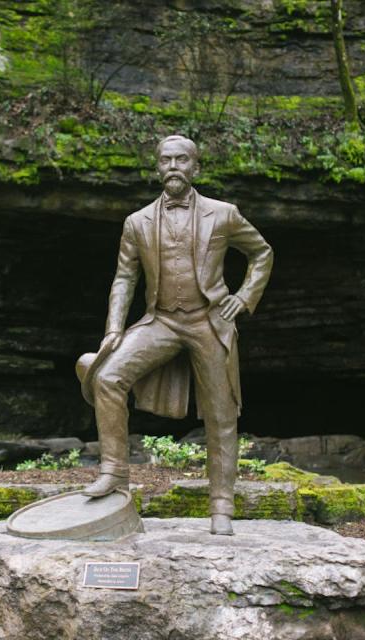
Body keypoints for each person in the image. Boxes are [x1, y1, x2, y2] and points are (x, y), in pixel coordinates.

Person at [76, 135, 273, 535]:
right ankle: (114, 472)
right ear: (157, 168)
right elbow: (124, 278)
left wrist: (244, 297)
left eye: (181, 160)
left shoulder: (224, 214)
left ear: (195, 167)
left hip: (208, 321)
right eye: (166, 160)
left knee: (221, 413)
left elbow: (262, 252)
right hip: (161, 321)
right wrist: (114, 328)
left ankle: (221, 507)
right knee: (108, 377)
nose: (173, 167)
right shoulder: (137, 222)